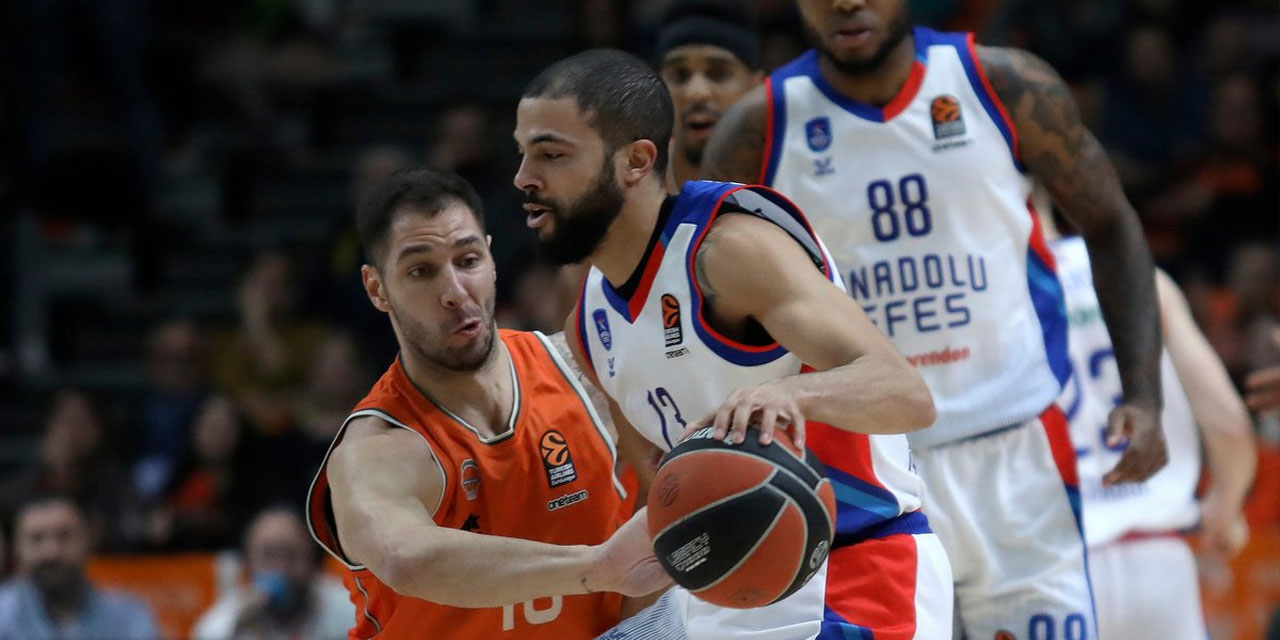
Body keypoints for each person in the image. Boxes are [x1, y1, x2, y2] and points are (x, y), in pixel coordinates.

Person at [701, 1, 1169, 637]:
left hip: (1017, 447)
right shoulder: (757, 128)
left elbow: (1112, 226)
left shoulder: (1001, 83)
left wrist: (1143, 396)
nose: (845, 2)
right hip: (869, 471)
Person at [515, 48, 952, 640]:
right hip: (726, 592)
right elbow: (667, 491)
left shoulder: (727, 252)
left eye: (551, 154)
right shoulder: (589, 323)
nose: (524, 178)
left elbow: (906, 393)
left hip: (854, 573)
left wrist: (797, 397)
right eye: (523, 153)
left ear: (636, 161)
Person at [305, 167, 669, 639]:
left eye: (468, 259)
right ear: (377, 288)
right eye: (421, 270)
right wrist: (599, 567)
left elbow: (662, 501)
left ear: (492, 259)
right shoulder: (377, 449)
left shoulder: (585, 374)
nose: (455, 292)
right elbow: (406, 558)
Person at [1050, 224, 1255, 640]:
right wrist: (1226, 505)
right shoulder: (1141, 277)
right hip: (1158, 561)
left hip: (1050, 571)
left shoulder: (993, 294)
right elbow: (1227, 421)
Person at [0, 495, 159, 640]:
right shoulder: (3, 615)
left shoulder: (128, 616)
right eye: (36, 539)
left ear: (88, 539)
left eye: (64, 536)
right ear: (16, 547)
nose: (51, 551)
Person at [192, 506, 353, 640]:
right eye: (268, 555)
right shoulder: (234, 615)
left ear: (313, 559)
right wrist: (240, 623)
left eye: (291, 554)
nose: (280, 567)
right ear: (248, 563)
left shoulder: (346, 607)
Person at [655, 0, 764, 188]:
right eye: (680, 75)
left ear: (755, 88)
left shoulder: (789, 173)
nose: (696, 93)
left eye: (718, 74)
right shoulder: (635, 186)